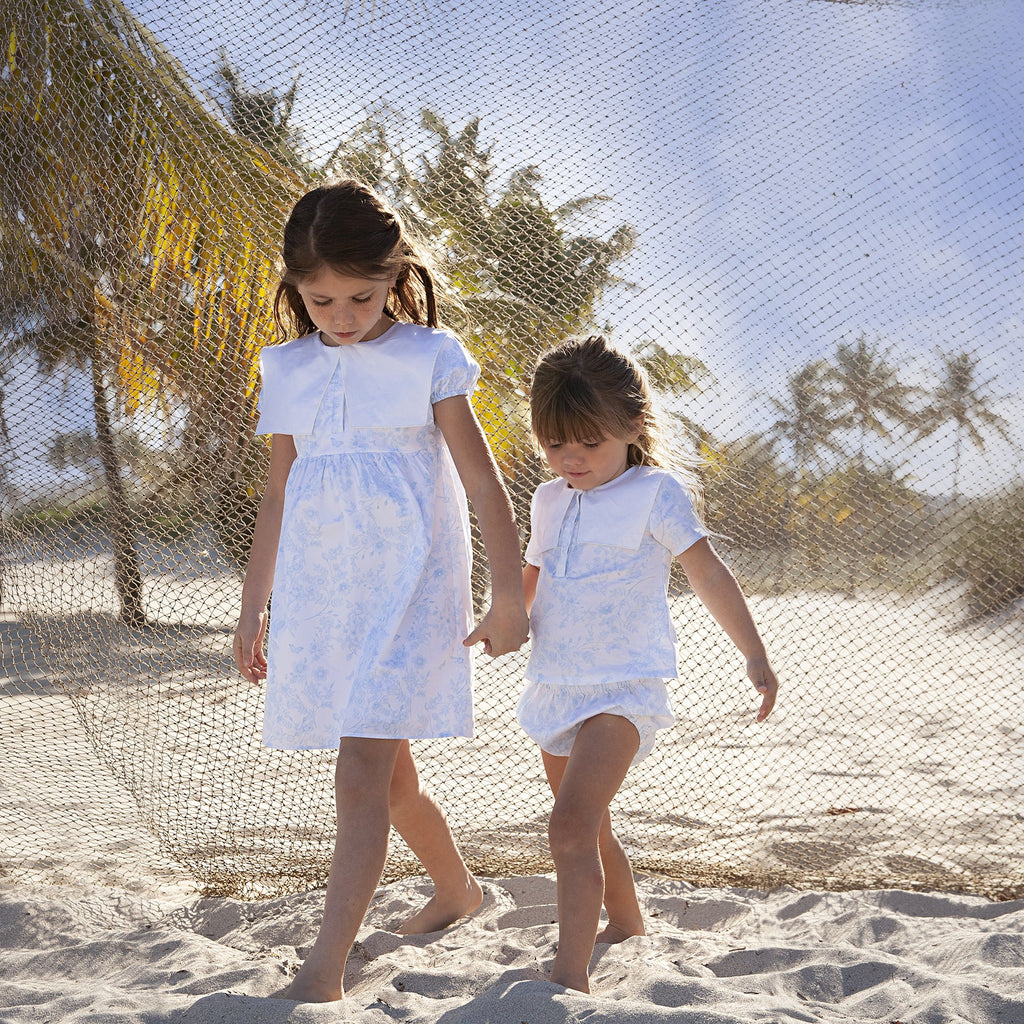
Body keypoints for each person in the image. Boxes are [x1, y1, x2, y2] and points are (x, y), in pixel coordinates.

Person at [233, 180, 529, 1003]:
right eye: (319, 297)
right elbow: (277, 496)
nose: (340, 312)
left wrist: (508, 595)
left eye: (360, 295)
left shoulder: (429, 356)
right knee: (390, 775)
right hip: (324, 595)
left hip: (410, 587)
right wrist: (254, 609)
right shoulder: (286, 368)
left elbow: (481, 481)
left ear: (395, 276)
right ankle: (460, 892)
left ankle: (322, 971)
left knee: (361, 771)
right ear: (295, 288)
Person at [518, 334, 779, 994]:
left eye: (588, 444)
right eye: (554, 445)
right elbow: (533, 578)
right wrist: (501, 623)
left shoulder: (654, 492)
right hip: (555, 688)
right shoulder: (549, 500)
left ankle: (569, 974)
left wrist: (754, 655)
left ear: (633, 425)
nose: (569, 459)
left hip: (623, 692)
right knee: (591, 827)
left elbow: (708, 573)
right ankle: (628, 921)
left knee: (569, 825)